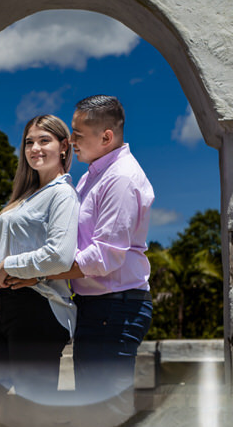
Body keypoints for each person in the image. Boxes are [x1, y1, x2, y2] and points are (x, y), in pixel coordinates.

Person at [50, 95, 155, 399]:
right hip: (98, 307)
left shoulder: (121, 179)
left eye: (78, 134)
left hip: (115, 309)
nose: (71, 141)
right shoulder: (92, 176)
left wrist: (40, 273)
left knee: (105, 410)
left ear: (106, 137)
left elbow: (103, 256)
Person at [0, 114, 79, 403]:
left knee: (34, 408)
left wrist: (9, 266)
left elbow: (59, 255)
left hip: (40, 309)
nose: (35, 148)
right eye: (29, 142)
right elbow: (16, 248)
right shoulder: (27, 195)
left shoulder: (63, 194)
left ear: (64, 146)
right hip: (8, 308)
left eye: (44, 140)